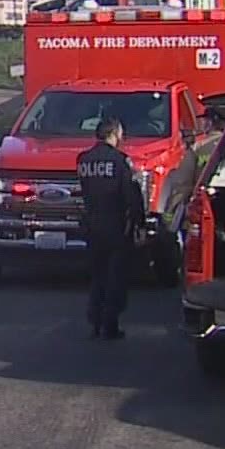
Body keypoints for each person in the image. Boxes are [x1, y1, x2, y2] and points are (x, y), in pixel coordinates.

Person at [77, 116, 145, 340]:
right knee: (116, 277)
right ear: (114, 134)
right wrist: (139, 224)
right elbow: (131, 197)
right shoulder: (120, 161)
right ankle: (110, 323)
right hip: (116, 226)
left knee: (97, 276)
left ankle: (95, 321)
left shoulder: (84, 160)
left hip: (91, 225)